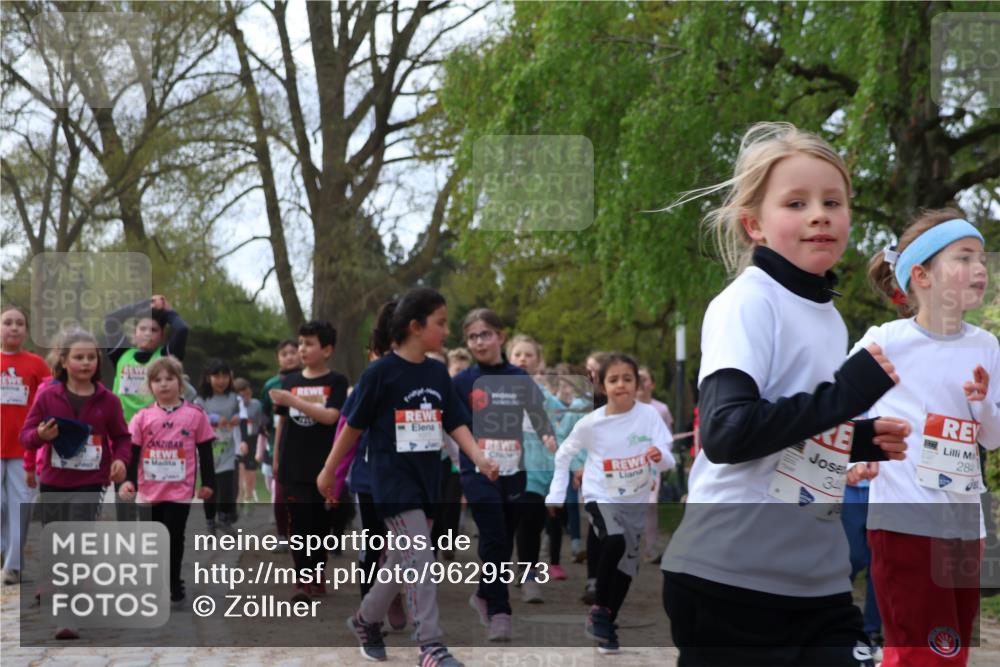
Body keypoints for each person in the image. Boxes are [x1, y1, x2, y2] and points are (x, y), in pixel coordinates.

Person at [659, 121, 910, 665]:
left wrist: (855, 440)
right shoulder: (749, 302)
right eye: (795, 203)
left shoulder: (827, 314)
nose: (819, 213)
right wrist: (845, 396)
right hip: (731, 579)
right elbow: (727, 435)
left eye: (833, 201)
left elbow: (789, 430)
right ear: (754, 225)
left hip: (816, 582)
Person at [316, 287, 500, 667]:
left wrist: (479, 457)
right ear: (416, 327)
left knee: (402, 559)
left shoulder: (436, 372)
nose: (447, 330)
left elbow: (455, 421)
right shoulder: (379, 373)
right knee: (421, 556)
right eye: (441, 323)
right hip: (392, 483)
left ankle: (365, 620)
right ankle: (430, 645)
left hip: (426, 482)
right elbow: (352, 427)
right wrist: (329, 470)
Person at [848, 210, 1000, 666]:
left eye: (982, 259)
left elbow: (991, 439)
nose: (980, 269)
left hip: (965, 524)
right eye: (964, 257)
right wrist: (858, 452)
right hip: (903, 523)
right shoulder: (885, 340)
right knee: (921, 653)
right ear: (921, 275)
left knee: (949, 653)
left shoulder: (986, 346)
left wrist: (982, 405)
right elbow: (834, 404)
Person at [547, 352, 675, 653]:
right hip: (599, 495)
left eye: (627, 379)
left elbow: (667, 458)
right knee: (614, 541)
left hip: (634, 500)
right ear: (602, 386)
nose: (621, 385)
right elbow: (563, 455)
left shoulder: (649, 416)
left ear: (638, 383)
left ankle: (606, 621)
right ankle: (599, 611)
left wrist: (660, 457)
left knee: (627, 568)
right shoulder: (592, 423)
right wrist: (555, 493)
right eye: (613, 379)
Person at [19, 329, 131, 639]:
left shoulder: (108, 400)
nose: (86, 362)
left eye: (91, 357)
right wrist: (41, 436)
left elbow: (122, 437)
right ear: (64, 361)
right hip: (54, 480)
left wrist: (121, 460)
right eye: (79, 357)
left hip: (91, 481)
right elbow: (25, 437)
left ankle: (67, 614)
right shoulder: (48, 395)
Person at [453, 309, 557, 640]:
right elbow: (452, 424)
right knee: (494, 536)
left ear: (501, 336)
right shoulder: (461, 382)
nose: (479, 341)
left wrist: (546, 436)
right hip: (477, 470)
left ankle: (484, 592)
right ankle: (500, 612)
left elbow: (537, 413)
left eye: (485, 334)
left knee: (504, 538)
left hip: (514, 471)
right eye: (472, 336)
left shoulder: (519, 378)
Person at [118, 356, 216, 605]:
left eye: (169, 379)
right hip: (149, 490)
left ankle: (173, 582)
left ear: (180, 383)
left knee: (173, 536)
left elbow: (205, 450)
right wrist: (129, 482)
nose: (164, 384)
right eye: (157, 380)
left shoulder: (195, 415)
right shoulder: (142, 417)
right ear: (149, 386)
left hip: (179, 490)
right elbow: (134, 452)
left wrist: (209, 483)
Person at [270, 321, 348, 601]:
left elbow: (331, 417)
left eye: (309, 343)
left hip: (324, 465)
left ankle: (318, 571)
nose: (302, 349)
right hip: (293, 462)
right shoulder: (290, 381)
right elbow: (282, 423)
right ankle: (302, 578)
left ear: (327, 350)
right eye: (300, 342)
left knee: (320, 523)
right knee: (298, 522)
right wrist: (276, 455)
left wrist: (295, 401)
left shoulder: (336, 382)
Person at [1, 305, 50, 585]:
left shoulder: (36, 364)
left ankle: (13, 566)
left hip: (25, 449)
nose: (14, 327)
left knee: (21, 506)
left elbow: (50, 399)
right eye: (8, 322)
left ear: (26, 330)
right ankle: (5, 550)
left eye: (20, 323)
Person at [509, 334, 558, 601]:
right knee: (506, 524)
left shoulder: (549, 401)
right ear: (509, 359)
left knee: (531, 521)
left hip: (537, 472)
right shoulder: (498, 396)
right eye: (518, 354)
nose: (523, 359)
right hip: (505, 469)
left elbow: (561, 434)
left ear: (539, 362)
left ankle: (529, 577)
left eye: (529, 354)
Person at [103, 295, 189, 425]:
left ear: (161, 335)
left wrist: (167, 311)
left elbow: (182, 330)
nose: (148, 333)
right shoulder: (121, 353)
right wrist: (146, 303)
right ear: (135, 332)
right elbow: (110, 320)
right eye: (143, 329)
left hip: (156, 427)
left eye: (154, 330)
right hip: (122, 427)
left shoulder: (166, 357)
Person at [260, 339, 300, 547]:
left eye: (293, 352)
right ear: (278, 358)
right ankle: (282, 534)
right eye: (284, 353)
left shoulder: (307, 381)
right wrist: (267, 430)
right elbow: (264, 414)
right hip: (279, 443)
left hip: (305, 444)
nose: (290, 356)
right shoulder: (271, 385)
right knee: (280, 492)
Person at [195, 359, 241, 535]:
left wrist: (237, 418)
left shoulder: (234, 398)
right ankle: (210, 523)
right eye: (216, 376)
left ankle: (225, 520)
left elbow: (241, 414)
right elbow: (198, 418)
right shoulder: (201, 399)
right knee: (210, 488)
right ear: (208, 378)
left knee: (228, 487)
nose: (221, 380)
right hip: (208, 451)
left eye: (225, 376)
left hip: (228, 449)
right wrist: (214, 419)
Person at [637, 365, 673, 562]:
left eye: (645, 379)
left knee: (650, 504)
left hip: (652, 465)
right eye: (638, 378)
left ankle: (650, 547)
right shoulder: (626, 407)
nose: (642, 383)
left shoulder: (661, 409)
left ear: (652, 384)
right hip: (628, 464)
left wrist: (662, 455)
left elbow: (667, 438)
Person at [233, 377, 264, 505]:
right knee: (240, 468)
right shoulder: (234, 406)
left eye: (246, 393)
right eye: (241, 394)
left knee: (251, 469)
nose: (244, 397)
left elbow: (261, 422)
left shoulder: (256, 404)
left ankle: (249, 495)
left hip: (253, 439)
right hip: (238, 440)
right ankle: (238, 496)